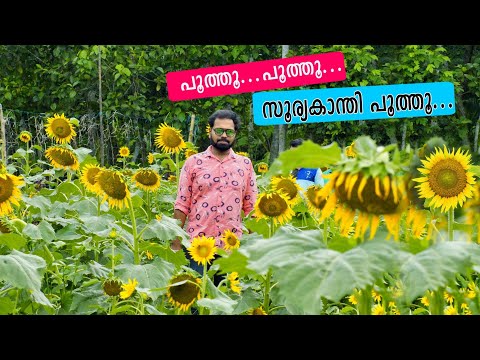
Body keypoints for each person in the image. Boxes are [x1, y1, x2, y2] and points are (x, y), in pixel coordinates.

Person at [172, 109, 258, 278]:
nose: (224, 135)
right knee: (196, 299)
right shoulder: (193, 163)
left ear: (235, 134)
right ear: (210, 131)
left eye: (229, 131)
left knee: (228, 299)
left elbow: (251, 208)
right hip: (197, 247)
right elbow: (182, 204)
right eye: (219, 131)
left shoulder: (245, 165)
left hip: (231, 249)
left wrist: (255, 246)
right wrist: (175, 243)